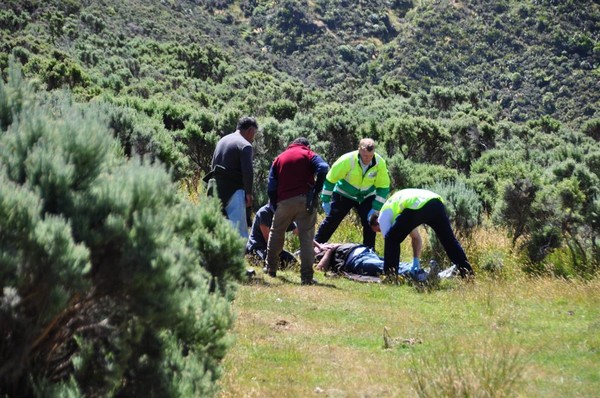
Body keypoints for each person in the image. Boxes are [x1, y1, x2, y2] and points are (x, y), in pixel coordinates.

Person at [370, 188, 475, 279]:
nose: (381, 231)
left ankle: (390, 276)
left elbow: (389, 241)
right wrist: (416, 259)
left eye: (378, 230)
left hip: (417, 206)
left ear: (378, 222)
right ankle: (468, 275)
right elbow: (415, 237)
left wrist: (389, 265)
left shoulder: (383, 214)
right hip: (435, 203)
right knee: (449, 241)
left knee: (392, 239)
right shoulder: (398, 214)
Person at [266, 137, 329, 285]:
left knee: (276, 233)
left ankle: (271, 269)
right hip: (305, 201)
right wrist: (316, 191)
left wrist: (274, 204)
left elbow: (271, 185)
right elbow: (323, 167)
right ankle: (306, 277)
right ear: (307, 145)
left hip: (284, 201)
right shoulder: (308, 154)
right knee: (306, 239)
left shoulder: (279, 159)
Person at [315, 138, 391, 249]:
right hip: (344, 194)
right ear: (359, 150)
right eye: (365, 156)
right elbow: (331, 179)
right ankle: (314, 246)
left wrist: (375, 208)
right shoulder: (347, 160)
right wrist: (325, 200)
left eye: (370, 156)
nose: (367, 159)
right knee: (332, 220)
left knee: (369, 223)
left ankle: (369, 251)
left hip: (366, 195)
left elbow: (383, 187)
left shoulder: (379, 163)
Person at [210, 116, 258, 238]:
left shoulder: (222, 140)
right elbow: (248, 171)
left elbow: (213, 164)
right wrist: (248, 194)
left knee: (216, 229)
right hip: (233, 191)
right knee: (239, 233)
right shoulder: (245, 145)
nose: (253, 138)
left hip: (215, 189)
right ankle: (238, 257)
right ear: (250, 130)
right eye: (254, 134)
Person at [314, 242, 448, 282]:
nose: (322, 245)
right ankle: (422, 275)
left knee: (394, 264)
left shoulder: (328, 246)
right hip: (356, 261)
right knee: (387, 268)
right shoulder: (322, 255)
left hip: (367, 253)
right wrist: (329, 251)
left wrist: (331, 245)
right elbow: (320, 269)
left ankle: (426, 272)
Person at [246, 203, 298, 268]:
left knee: (294, 263)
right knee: (266, 264)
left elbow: (298, 232)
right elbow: (268, 240)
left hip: (274, 249)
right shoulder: (263, 213)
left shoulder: (282, 214)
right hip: (257, 247)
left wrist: (313, 245)